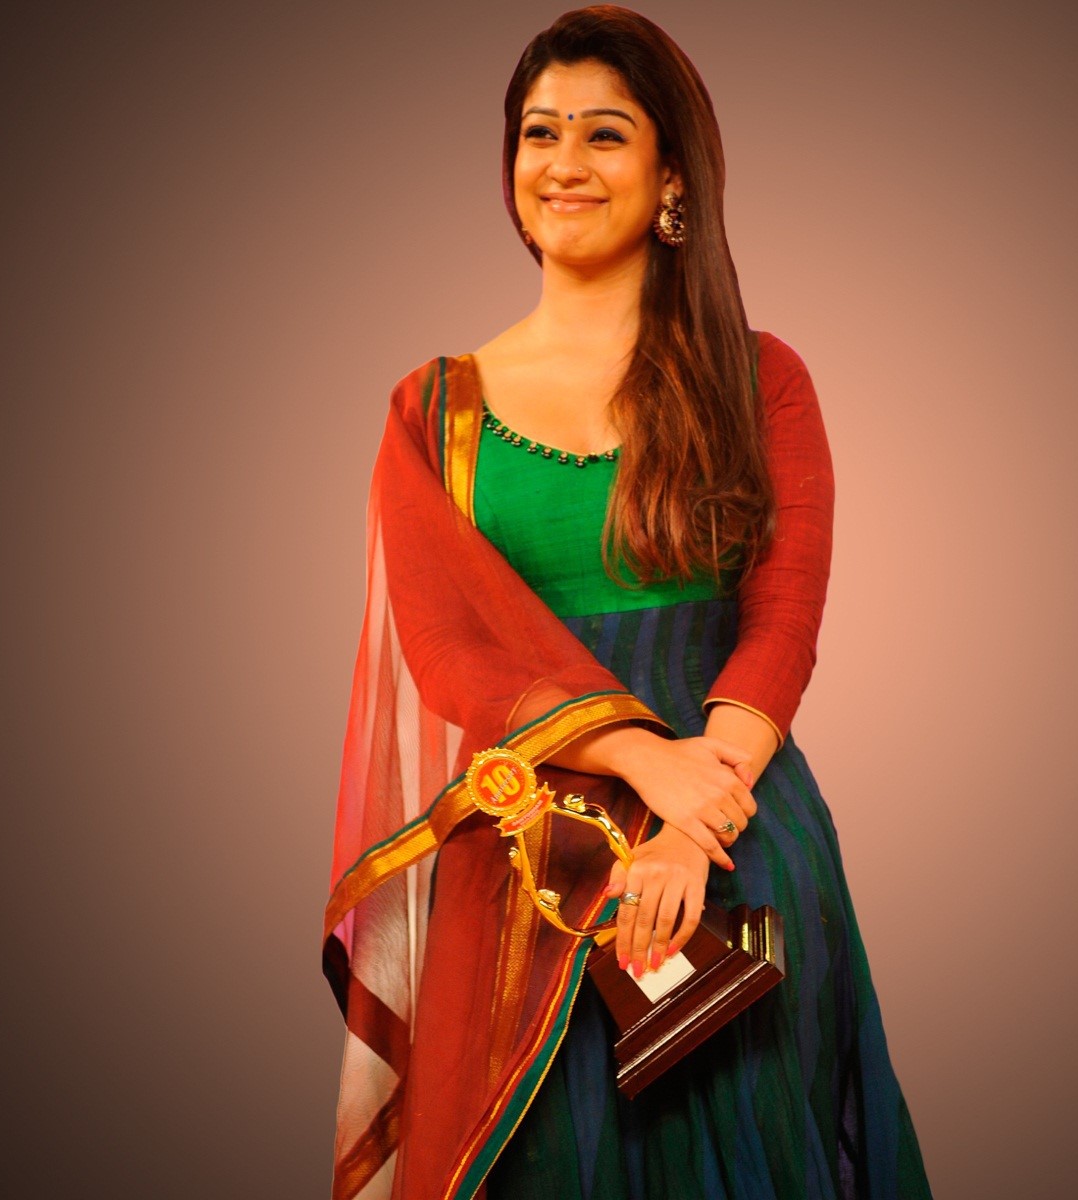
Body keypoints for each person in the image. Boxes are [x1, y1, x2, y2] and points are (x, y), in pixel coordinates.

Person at [322, 6, 933, 1197]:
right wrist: (651, 771)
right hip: (525, 865)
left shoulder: (760, 379)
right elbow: (447, 650)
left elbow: (784, 620)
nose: (564, 162)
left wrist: (692, 824)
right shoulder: (431, 410)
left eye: (604, 134)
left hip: (736, 841)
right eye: (539, 132)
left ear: (670, 177)